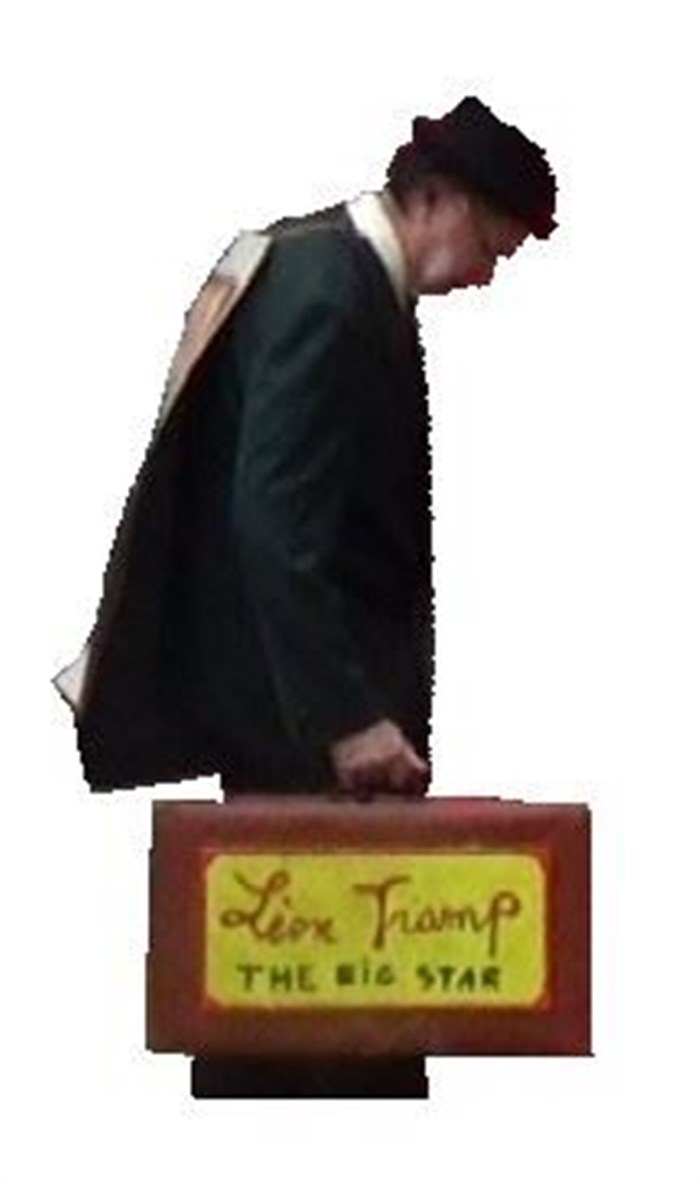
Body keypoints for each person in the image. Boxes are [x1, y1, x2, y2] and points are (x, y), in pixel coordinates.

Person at [52, 94, 557, 1095]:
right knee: (304, 1017)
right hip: (302, 730)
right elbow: (275, 525)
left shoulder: (324, 268)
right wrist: (347, 718)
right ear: (436, 198)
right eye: (488, 246)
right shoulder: (329, 291)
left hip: (301, 713)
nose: (486, 274)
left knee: (314, 1010)